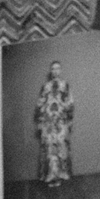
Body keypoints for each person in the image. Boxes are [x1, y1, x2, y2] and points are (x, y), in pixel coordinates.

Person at [34, 61, 74, 190]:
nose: (55, 71)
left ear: (60, 70)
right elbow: (40, 103)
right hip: (48, 122)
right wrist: (40, 122)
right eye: (53, 69)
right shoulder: (45, 86)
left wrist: (70, 119)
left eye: (58, 68)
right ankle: (51, 176)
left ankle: (62, 175)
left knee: (61, 147)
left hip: (61, 121)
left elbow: (70, 102)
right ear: (50, 71)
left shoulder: (65, 85)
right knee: (50, 148)